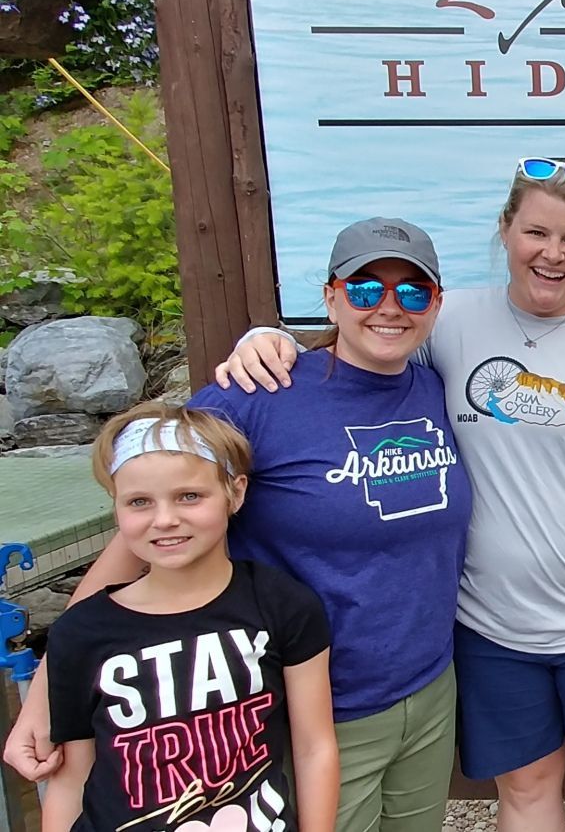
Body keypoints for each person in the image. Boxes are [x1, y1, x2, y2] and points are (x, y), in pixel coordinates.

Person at [210, 158, 565, 832]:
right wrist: (267, 340)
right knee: (527, 793)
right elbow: (363, 344)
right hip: (489, 629)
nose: (553, 254)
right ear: (506, 232)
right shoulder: (449, 319)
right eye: (536, 232)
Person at [12, 218, 474, 832]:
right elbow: (147, 529)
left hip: (429, 687)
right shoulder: (258, 394)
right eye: (365, 289)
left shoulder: (440, 388)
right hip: (315, 706)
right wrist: (47, 694)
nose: (389, 307)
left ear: (436, 304)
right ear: (332, 296)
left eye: (413, 291)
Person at [42, 404, 337, 832]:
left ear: (235, 493)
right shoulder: (80, 633)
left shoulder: (282, 604)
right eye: (140, 502)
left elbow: (314, 746)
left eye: (189, 496)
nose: (165, 520)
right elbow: (71, 781)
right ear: (116, 506)